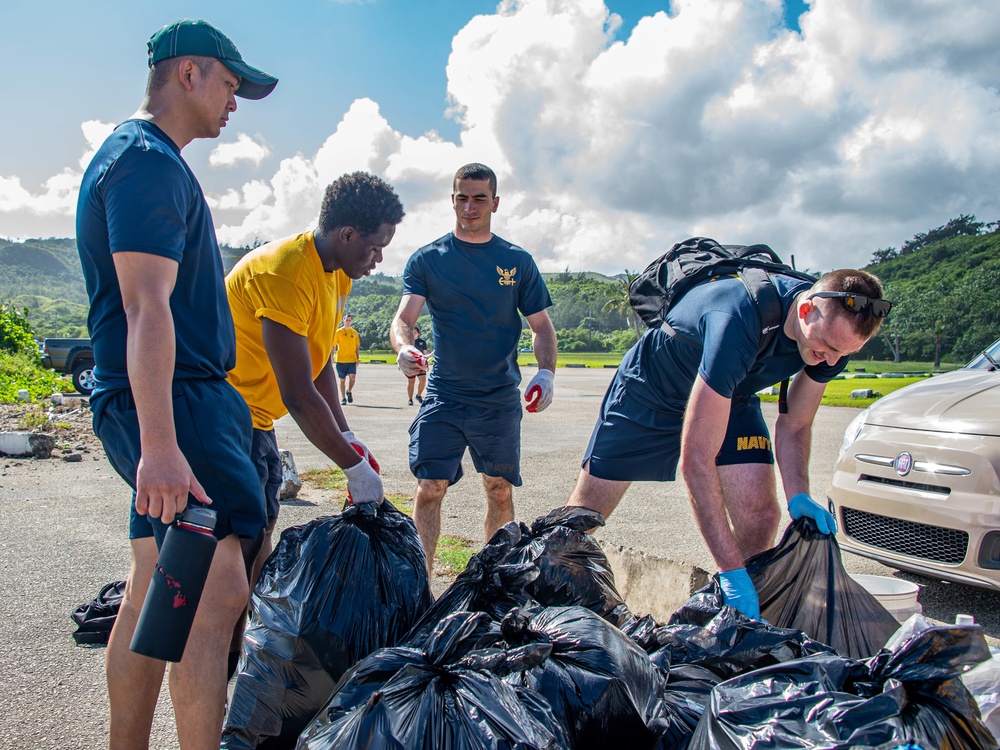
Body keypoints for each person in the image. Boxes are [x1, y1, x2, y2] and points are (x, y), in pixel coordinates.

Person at [75, 19, 277, 748]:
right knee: (217, 594)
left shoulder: (144, 158)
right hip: (176, 402)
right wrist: (160, 443)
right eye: (230, 83)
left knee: (151, 590)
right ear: (188, 73)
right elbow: (145, 305)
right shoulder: (146, 160)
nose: (235, 101)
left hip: (170, 400)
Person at [565, 266, 890, 620]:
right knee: (585, 516)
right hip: (651, 390)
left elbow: (796, 422)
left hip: (732, 392)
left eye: (844, 354)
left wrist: (799, 494)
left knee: (761, 515)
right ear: (806, 309)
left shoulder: (832, 339)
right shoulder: (738, 318)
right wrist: (730, 572)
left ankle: (740, 624)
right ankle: (536, 589)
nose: (831, 361)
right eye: (826, 347)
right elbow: (697, 460)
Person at [225, 172, 404, 669]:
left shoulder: (336, 273)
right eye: (376, 246)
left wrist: (345, 432)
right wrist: (351, 466)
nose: (380, 259)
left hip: (254, 418)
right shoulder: (287, 271)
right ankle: (218, 657)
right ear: (347, 235)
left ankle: (242, 651)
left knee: (261, 531)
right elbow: (299, 393)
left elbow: (321, 356)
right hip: (218, 413)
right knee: (234, 546)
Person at [390, 163, 558, 572]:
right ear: (452, 200)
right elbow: (404, 320)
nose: (470, 206)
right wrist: (402, 348)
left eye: (479, 198)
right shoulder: (428, 259)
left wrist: (546, 371)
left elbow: (542, 327)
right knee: (430, 487)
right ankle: (420, 586)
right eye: (462, 197)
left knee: (499, 489)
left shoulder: (516, 261)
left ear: (494, 203)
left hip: (498, 397)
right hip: (444, 395)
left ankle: (494, 584)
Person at [333, 313, 361, 405]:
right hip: (341, 360)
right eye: (346, 320)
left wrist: (357, 358)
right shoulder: (338, 332)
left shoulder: (354, 333)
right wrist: (331, 356)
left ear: (351, 321)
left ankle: (349, 391)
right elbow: (333, 345)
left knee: (352, 377)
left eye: (349, 320)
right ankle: (343, 398)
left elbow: (357, 347)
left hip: (351, 359)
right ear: (343, 321)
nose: (348, 322)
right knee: (342, 380)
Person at [405, 325, 429, 405]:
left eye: (415, 332)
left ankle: (418, 395)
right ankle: (410, 399)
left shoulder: (422, 342)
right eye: (412, 332)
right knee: (411, 382)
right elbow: (402, 354)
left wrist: (427, 364)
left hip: (420, 364)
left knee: (423, 381)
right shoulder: (407, 342)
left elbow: (425, 354)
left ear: (418, 333)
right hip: (411, 365)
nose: (414, 333)